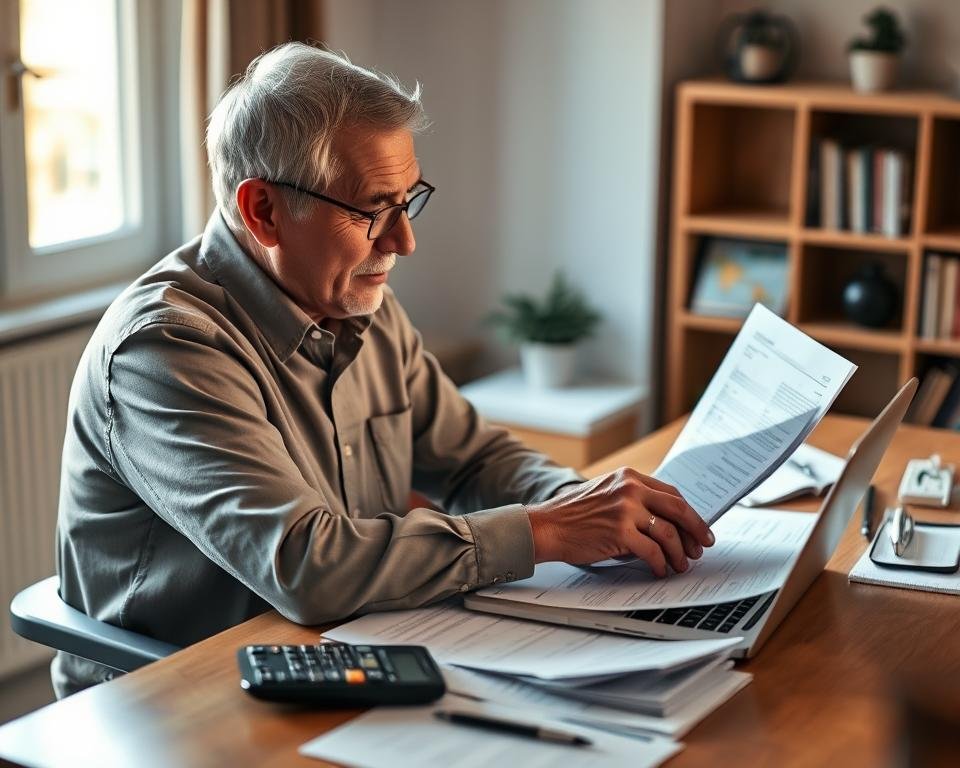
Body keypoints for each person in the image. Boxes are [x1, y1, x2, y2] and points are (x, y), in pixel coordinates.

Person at [53, 43, 714, 698]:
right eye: (373, 209)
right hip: (180, 698)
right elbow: (307, 567)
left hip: (342, 654)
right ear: (263, 211)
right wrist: (548, 531)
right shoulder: (165, 350)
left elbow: (474, 460)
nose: (403, 240)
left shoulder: (357, 304)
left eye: (408, 200)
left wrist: (596, 510)